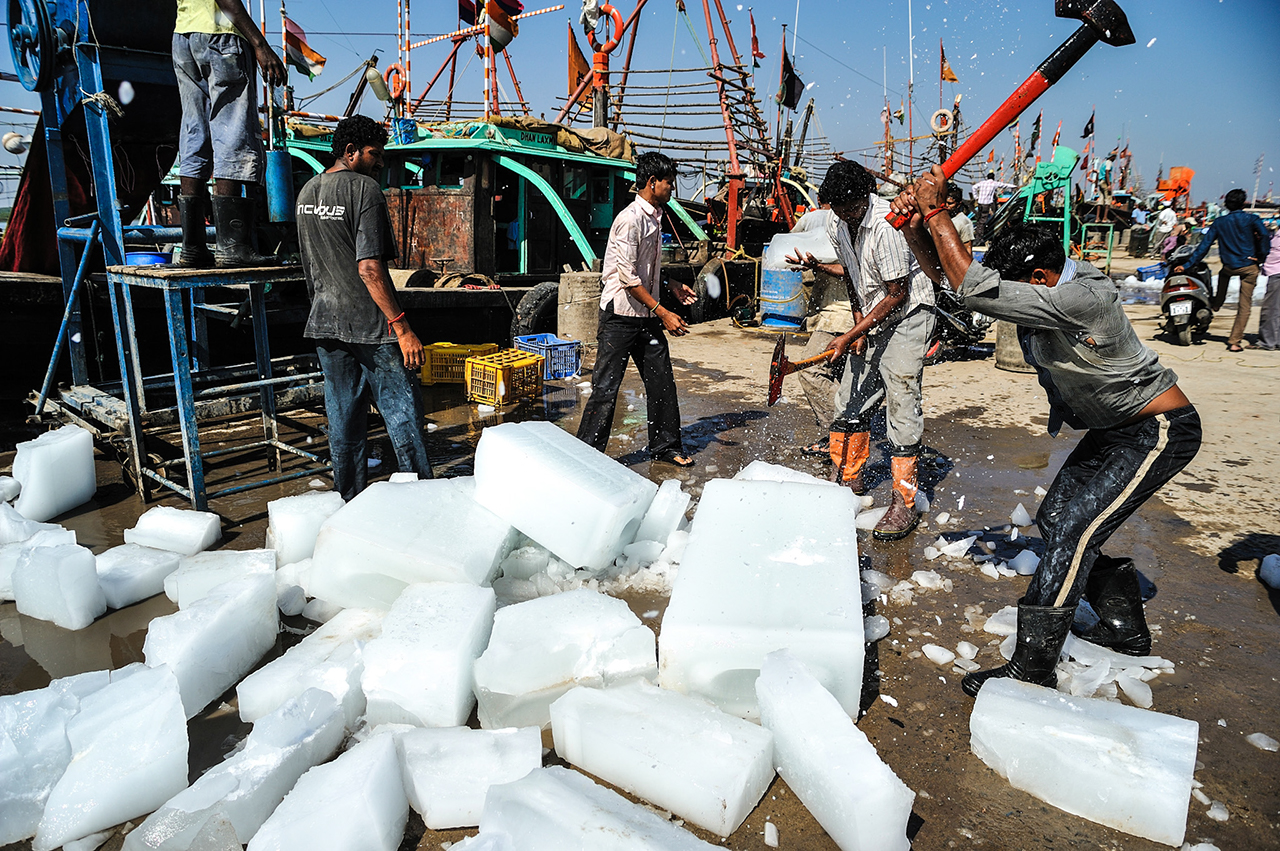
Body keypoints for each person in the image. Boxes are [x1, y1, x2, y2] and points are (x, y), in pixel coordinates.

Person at [891, 166, 1201, 697]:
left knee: (1079, 529)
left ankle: (1033, 666)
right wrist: (915, 227)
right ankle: (1125, 628)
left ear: (1037, 278)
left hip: (1159, 430)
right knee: (1057, 518)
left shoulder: (1085, 295)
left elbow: (975, 288)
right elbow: (954, 285)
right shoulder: (1042, 295)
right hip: (1112, 431)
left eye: (1014, 285)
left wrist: (938, 210)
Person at [788, 160, 935, 540]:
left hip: (909, 312)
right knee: (850, 398)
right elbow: (855, 277)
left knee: (900, 393)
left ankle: (903, 501)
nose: (843, 214)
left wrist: (852, 331)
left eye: (849, 208)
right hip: (873, 309)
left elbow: (898, 294)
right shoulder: (838, 221)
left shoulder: (886, 224)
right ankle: (847, 480)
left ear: (864, 198)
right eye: (836, 208)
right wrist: (857, 330)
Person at [296, 116, 433, 500]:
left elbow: (311, 266)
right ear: (350, 151)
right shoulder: (364, 190)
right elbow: (370, 268)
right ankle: (422, 500)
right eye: (375, 154)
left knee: (343, 422)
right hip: (373, 327)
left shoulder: (307, 192)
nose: (380, 162)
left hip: (325, 321)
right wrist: (403, 329)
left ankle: (349, 502)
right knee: (403, 418)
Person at [576, 152, 698, 466]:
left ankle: (666, 446)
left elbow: (647, 267)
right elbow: (628, 277)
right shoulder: (629, 220)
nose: (672, 188)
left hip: (645, 315)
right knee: (605, 387)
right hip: (620, 316)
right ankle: (584, 456)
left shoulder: (655, 216)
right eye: (668, 183)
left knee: (661, 381)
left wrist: (670, 283)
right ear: (651, 183)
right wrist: (664, 312)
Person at [173, 0, 286, 268]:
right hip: (221, 35)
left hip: (184, 37)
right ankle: (232, 247)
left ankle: (192, 247)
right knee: (232, 131)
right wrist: (259, 44)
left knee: (194, 132)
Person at [784, 200, 855, 458]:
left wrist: (816, 265)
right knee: (836, 375)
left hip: (841, 314)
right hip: (829, 310)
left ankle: (846, 432)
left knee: (811, 371)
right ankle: (836, 438)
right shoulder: (827, 219)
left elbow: (857, 270)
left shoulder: (818, 218)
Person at [1173, 188, 1271, 352]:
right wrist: (1261, 256)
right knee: (1244, 306)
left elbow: (1204, 246)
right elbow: (1265, 236)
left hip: (1229, 267)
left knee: (1221, 281)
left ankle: (1216, 304)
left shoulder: (1220, 222)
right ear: (1243, 203)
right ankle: (1234, 342)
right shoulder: (1252, 219)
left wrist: (1187, 265)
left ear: (1226, 204)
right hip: (1248, 267)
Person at [1253, 225, 1280, 350]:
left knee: (1270, 309)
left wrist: (1259, 258)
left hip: (1277, 273)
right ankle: (1276, 340)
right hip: (1275, 272)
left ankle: (1267, 342)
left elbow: (1273, 254)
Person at [972, 171, 1016, 242]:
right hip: (986, 204)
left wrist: (975, 197)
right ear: (993, 178)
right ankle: (979, 238)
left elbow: (974, 187)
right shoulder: (994, 183)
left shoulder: (982, 183)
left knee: (979, 220)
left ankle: (979, 235)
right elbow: (1004, 185)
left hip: (980, 203)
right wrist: (1015, 187)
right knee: (983, 221)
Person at [947, 185, 974, 257]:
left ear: (958, 204)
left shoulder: (963, 222)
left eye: (950, 203)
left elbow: (968, 249)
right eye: (945, 202)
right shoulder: (940, 218)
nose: (946, 206)